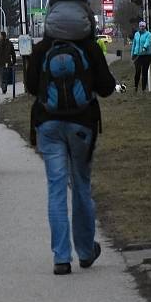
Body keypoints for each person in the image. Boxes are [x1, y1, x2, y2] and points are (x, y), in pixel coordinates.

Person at [26, 32, 116, 275]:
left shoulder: (43, 47)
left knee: (56, 188)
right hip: (81, 125)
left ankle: (61, 258)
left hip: (49, 125)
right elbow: (107, 87)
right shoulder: (88, 46)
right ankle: (86, 251)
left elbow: (31, 86)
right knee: (80, 186)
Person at [131, 21, 151, 92]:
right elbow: (134, 44)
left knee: (144, 72)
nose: (142, 27)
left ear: (145, 27)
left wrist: (144, 47)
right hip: (137, 55)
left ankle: (143, 88)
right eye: (140, 26)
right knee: (137, 71)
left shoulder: (148, 34)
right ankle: (136, 86)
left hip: (146, 55)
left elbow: (148, 41)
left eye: (143, 26)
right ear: (139, 26)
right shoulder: (136, 34)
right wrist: (132, 54)